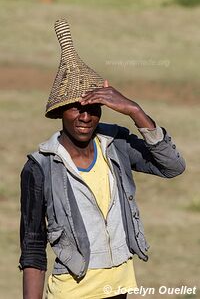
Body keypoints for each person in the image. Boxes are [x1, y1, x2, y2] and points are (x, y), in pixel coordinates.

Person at [19, 20, 185, 299]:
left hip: (119, 289)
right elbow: (33, 246)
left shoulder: (115, 145)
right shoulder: (41, 166)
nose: (86, 117)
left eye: (94, 107)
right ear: (60, 111)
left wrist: (134, 110)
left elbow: (172, 166)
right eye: (76, 108)